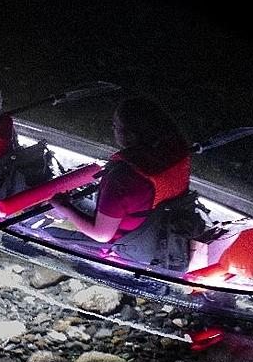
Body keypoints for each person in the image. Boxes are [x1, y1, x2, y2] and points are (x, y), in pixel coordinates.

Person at [49, 96, 197, 269]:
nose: (113, 129)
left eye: (116, 126)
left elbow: (101, 234)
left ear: (131, 135)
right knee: (83, 206)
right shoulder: (176, 148)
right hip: (170, 224)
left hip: (136, 243)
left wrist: (64, 207)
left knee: (50, 234)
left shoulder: (122, 178)